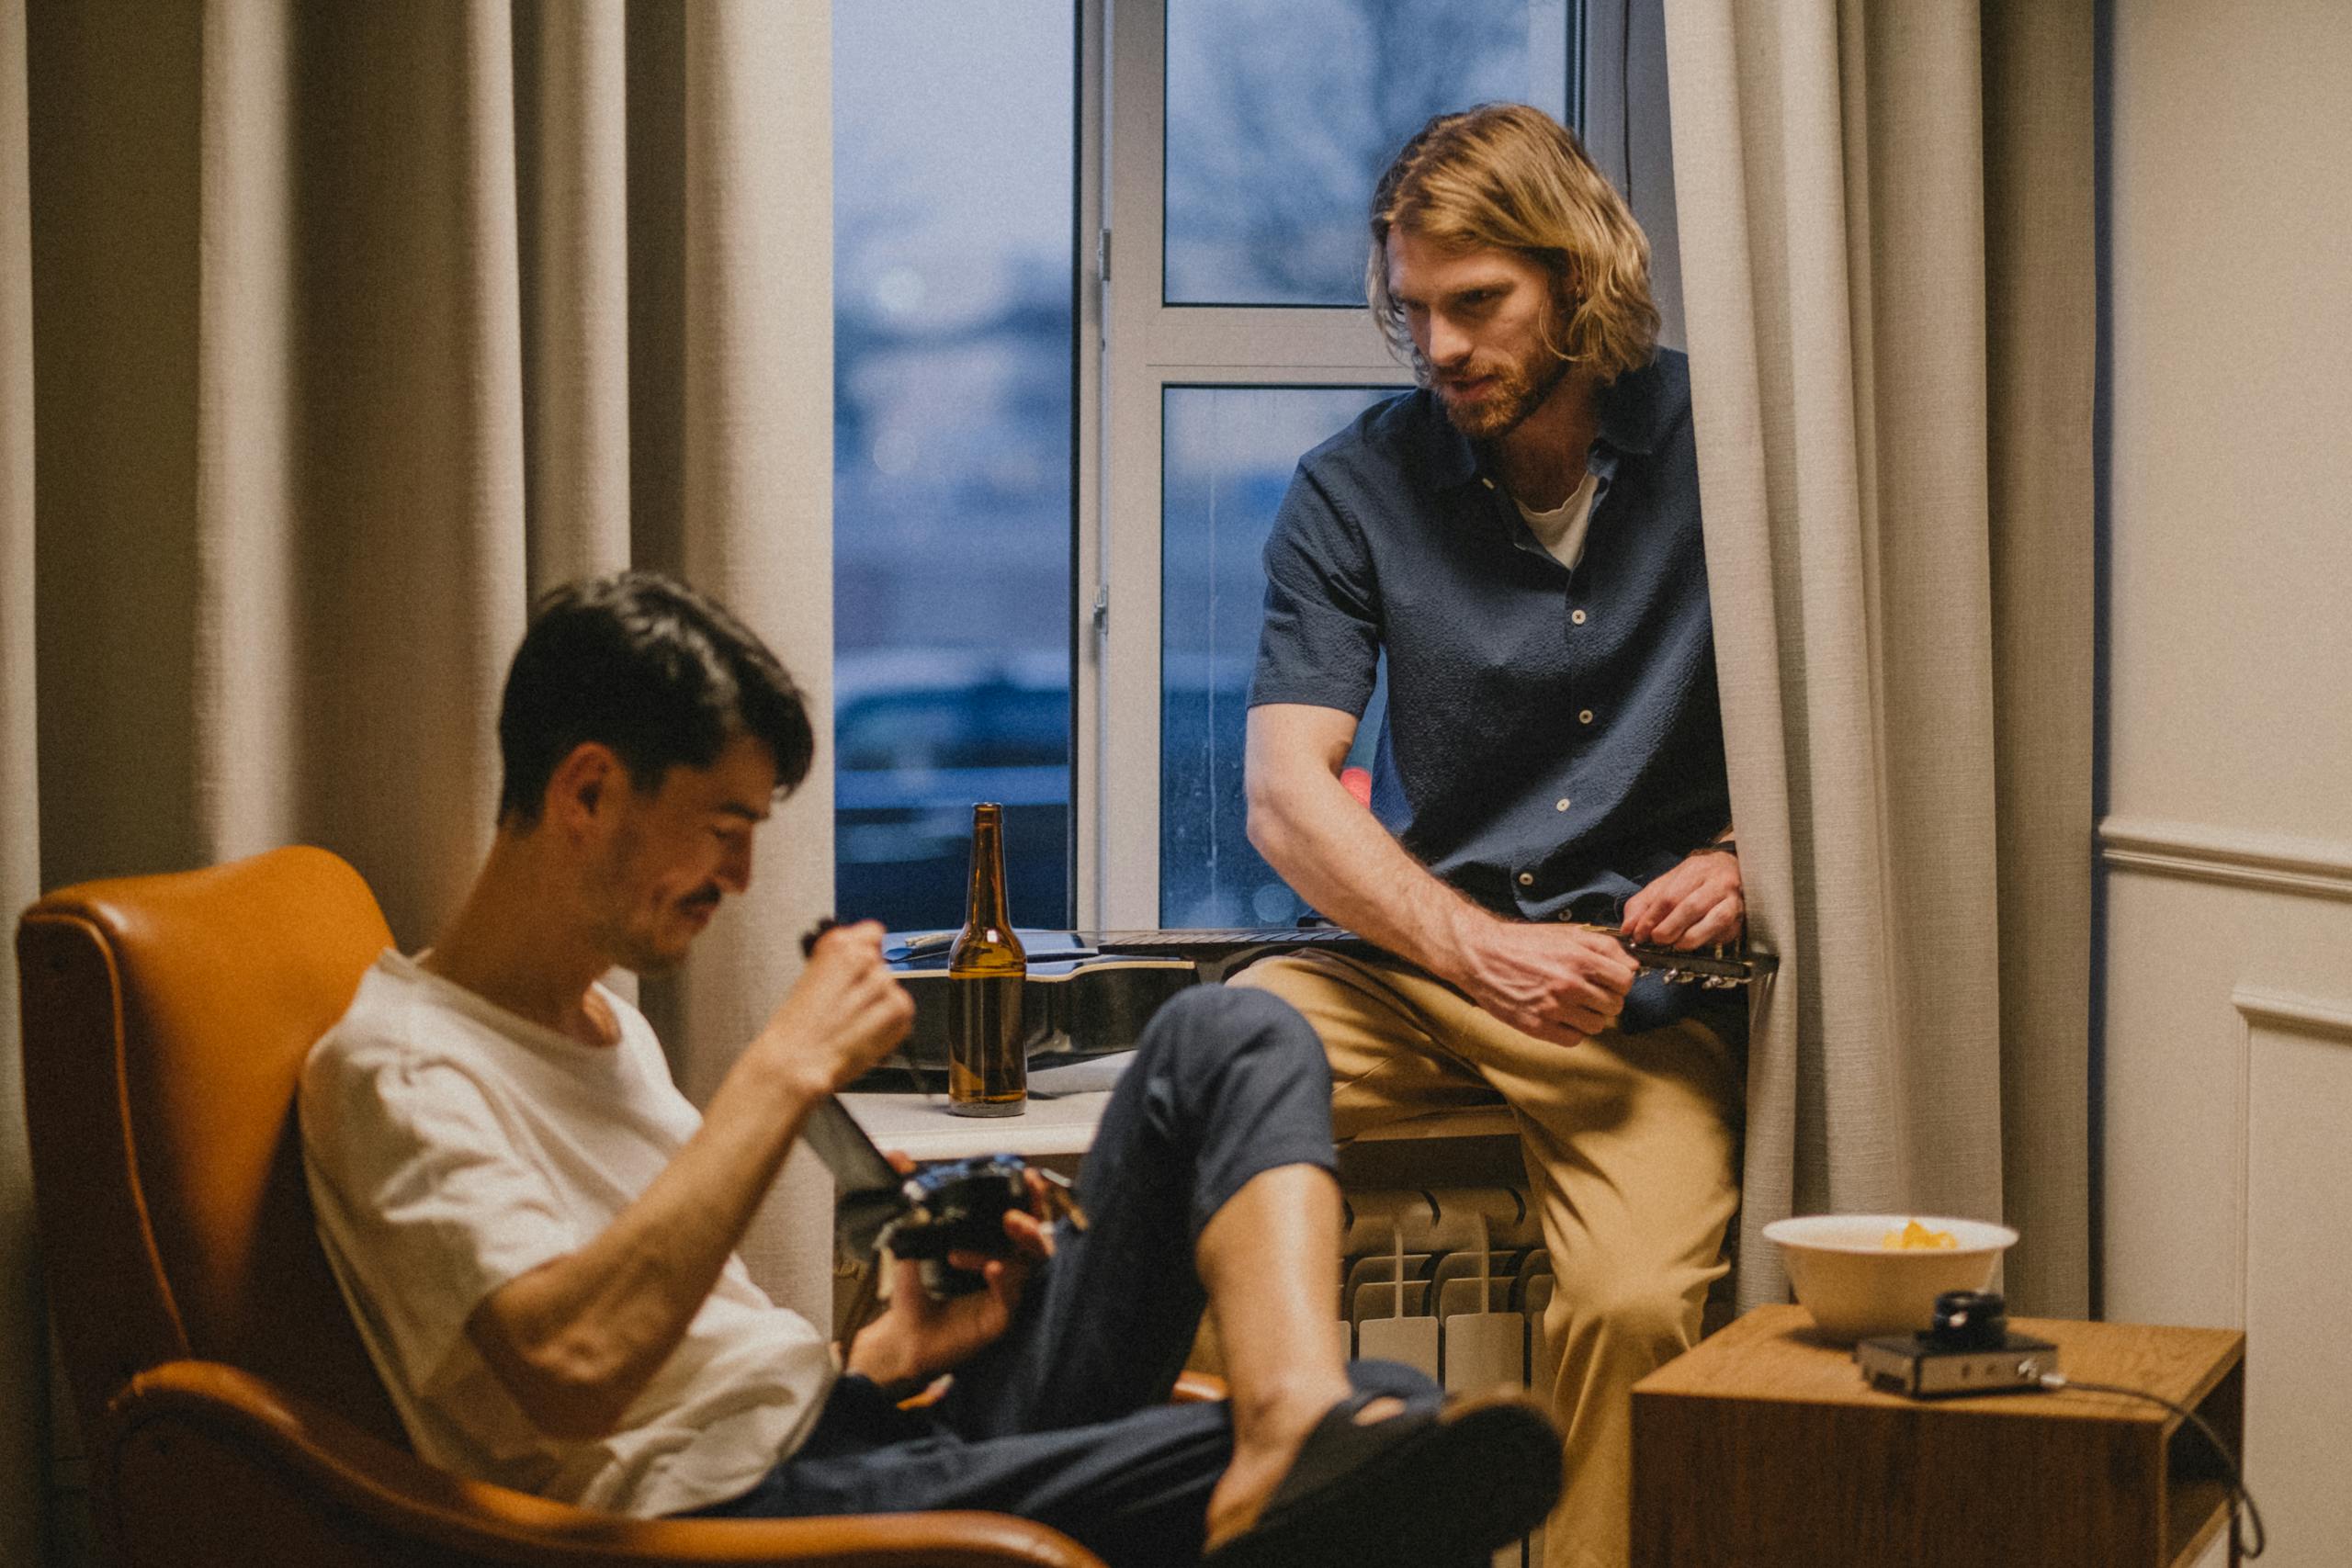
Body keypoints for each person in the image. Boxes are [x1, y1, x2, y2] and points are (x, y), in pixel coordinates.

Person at [299, 571, 1563, 1568]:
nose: (740, 878)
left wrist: (893, 1350)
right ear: (587, 791)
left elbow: (697, 1354)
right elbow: (571, 1377)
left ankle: (1289, 1416)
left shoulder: (601, 1024)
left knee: (1229, 1035)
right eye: (725, 826)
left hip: (841, 1434)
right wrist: (782, 1074)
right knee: (1400, 1427)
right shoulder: (401, 1068)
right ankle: (1299, 1436)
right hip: (722, 1525)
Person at [1231, 104, 1746, 1568]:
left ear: (1576, 281)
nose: (1442, 348)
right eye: (1415, 311)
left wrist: (1750, 852)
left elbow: (1867, 716)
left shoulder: (1746, 455)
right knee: (1220, 1061)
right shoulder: (1352, 489)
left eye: (1478, 305)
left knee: (1639, 1310)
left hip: (1631, 1015)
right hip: (1408, 973)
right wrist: (1477, 950)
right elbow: (1284, 793)